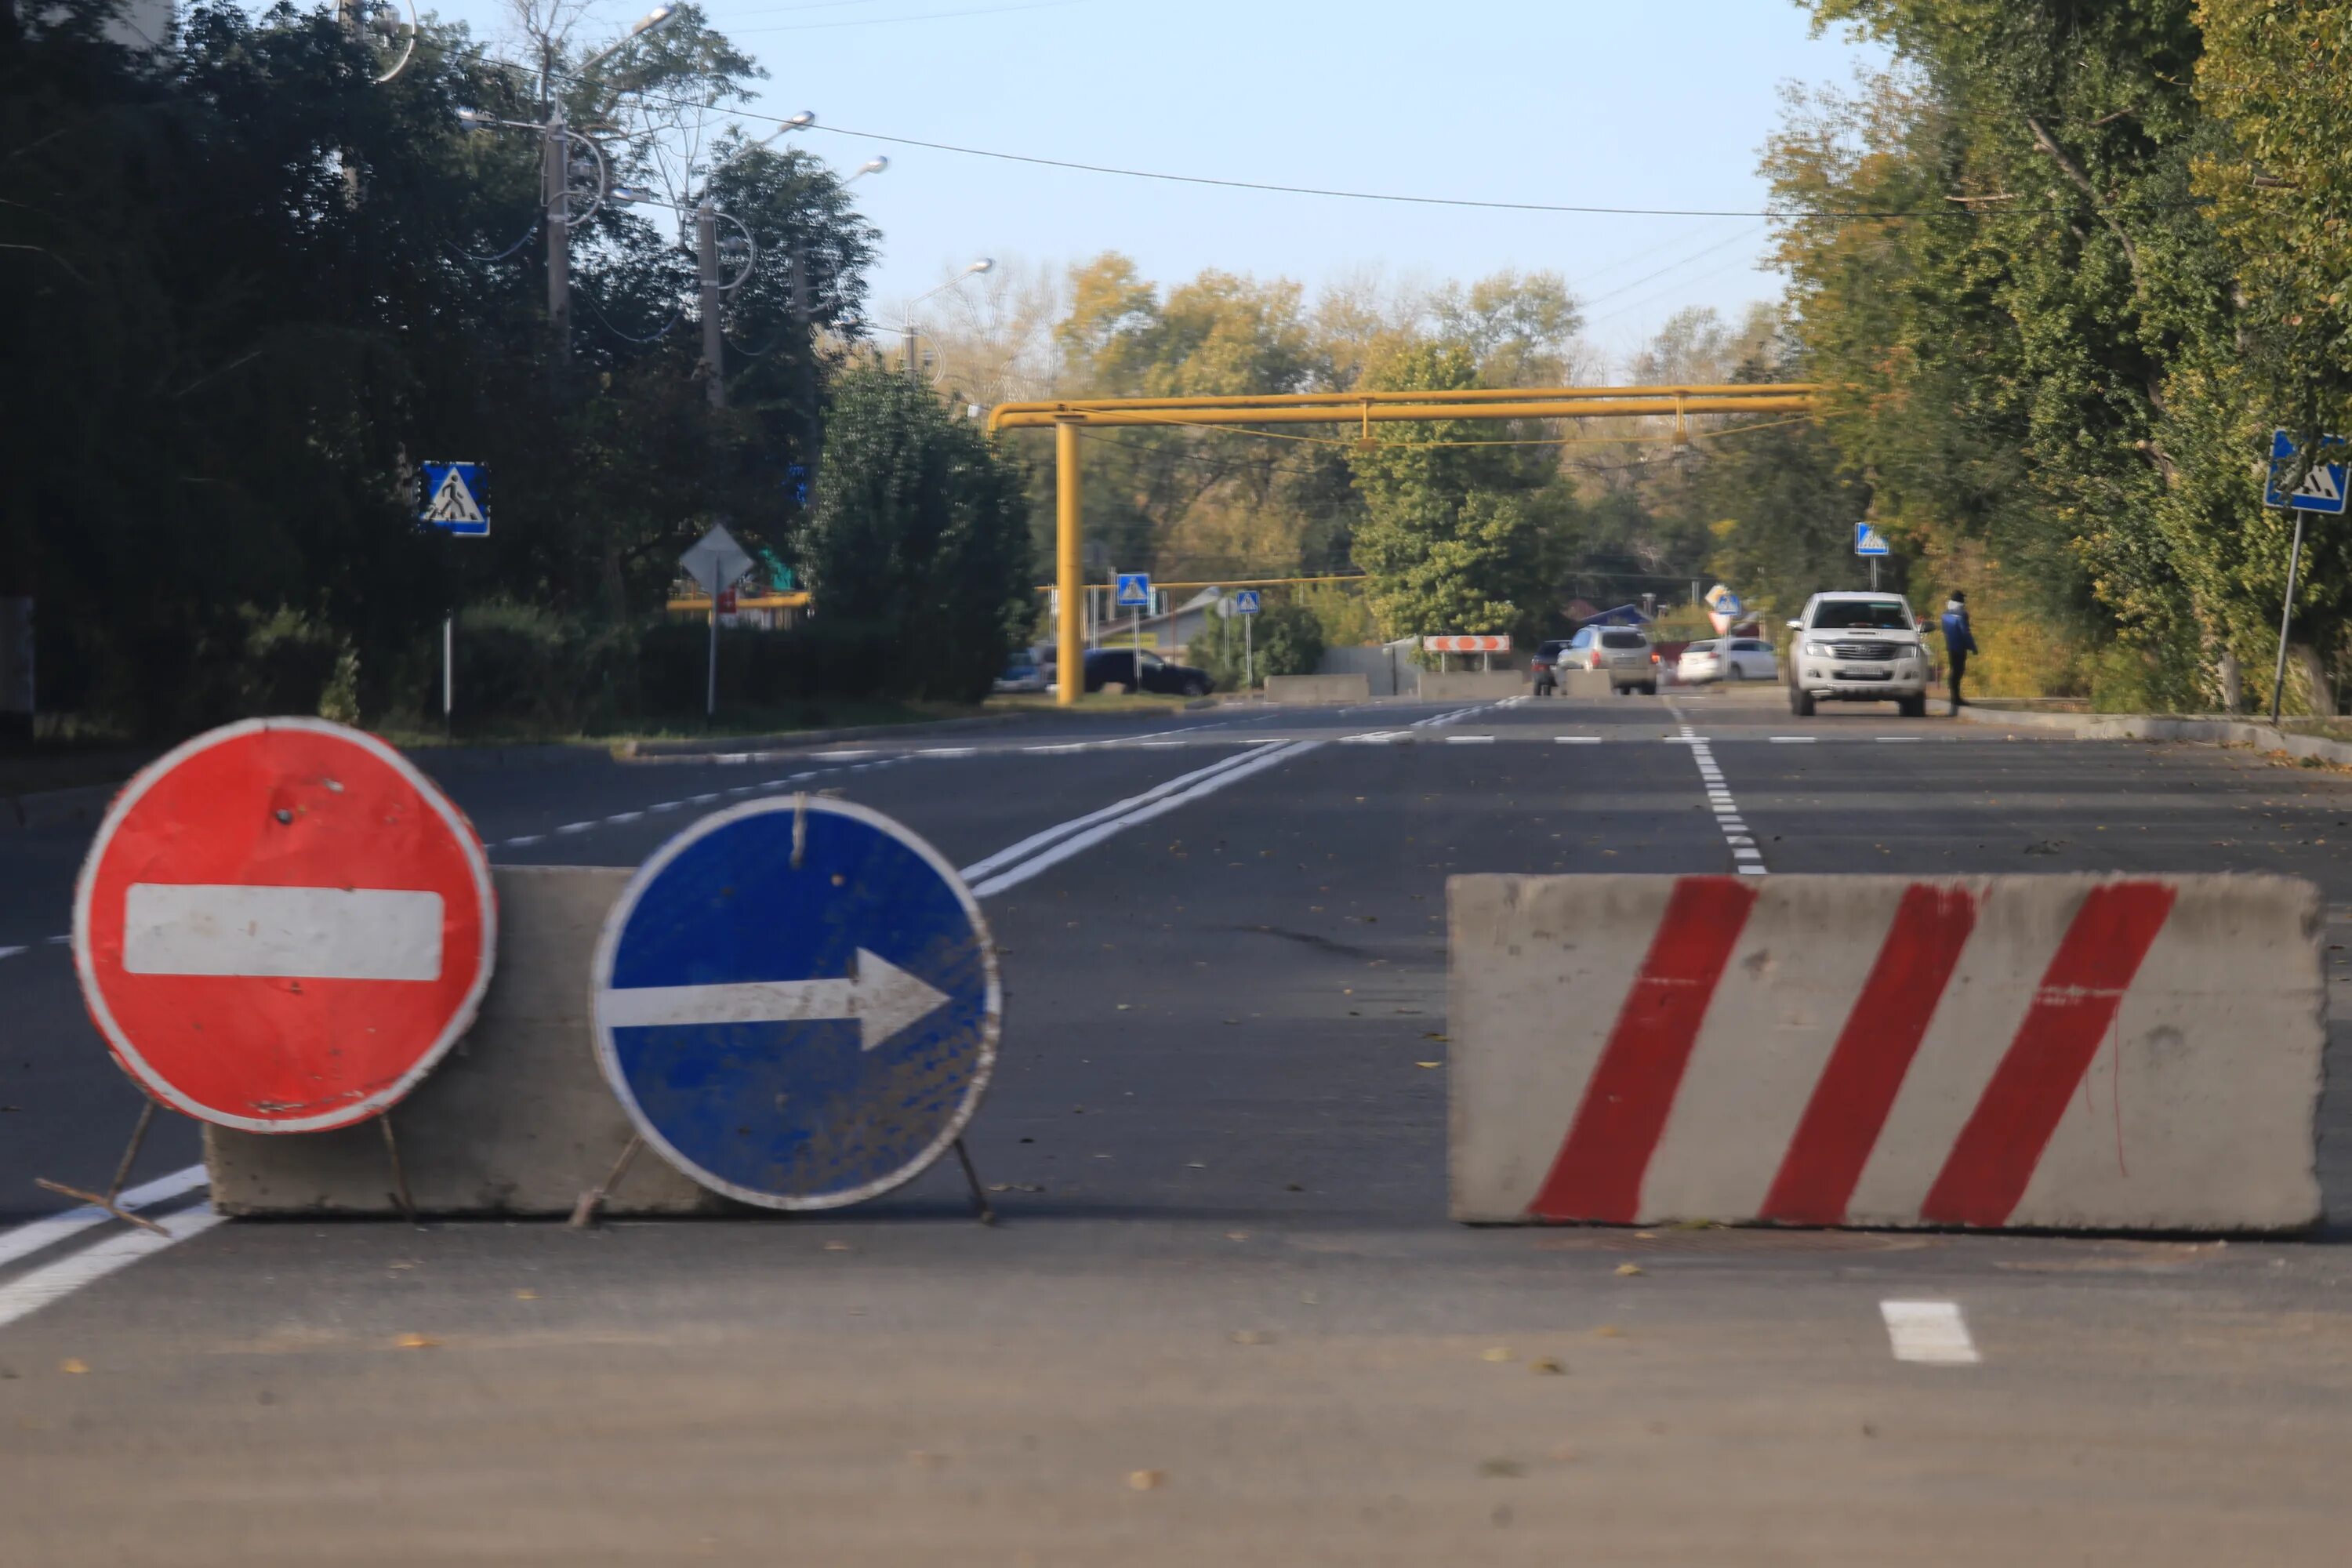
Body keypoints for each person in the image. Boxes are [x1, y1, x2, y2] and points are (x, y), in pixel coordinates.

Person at [1940, 590, 1979, 714]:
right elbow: (1965, 632)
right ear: (1961, 601)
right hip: (1960, 648)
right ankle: (1956, 699)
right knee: (1958, 672)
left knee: (1954, 672)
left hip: (1951, 647)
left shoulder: (1945, 615)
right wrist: (1972, 647)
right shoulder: (1962, 614)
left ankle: (1954, 697)